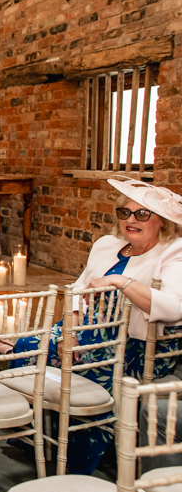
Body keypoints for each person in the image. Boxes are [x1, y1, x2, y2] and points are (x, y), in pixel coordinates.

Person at [11, 178, 182, 474]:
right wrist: (70, 330)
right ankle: (37, 437)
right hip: (89, 329)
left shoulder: (173, 252)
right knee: (28, 346)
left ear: (162, 223)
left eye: (142, 214)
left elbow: (174, 307)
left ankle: (78, 461)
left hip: (137, 343)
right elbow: (78, 288)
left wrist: (121, 282)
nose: (131, 220)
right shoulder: (107, 245)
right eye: (125, 212)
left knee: (90, 372)